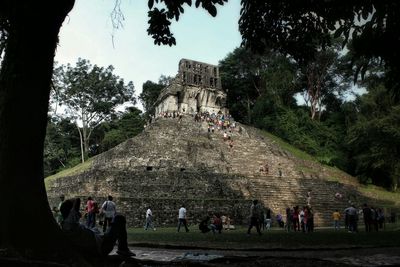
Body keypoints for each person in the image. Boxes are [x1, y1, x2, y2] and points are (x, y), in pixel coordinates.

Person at [60, 198, 135, 257]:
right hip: (103, 246)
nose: (78, 212)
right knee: (119, 218)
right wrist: (69, 203)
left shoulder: (68, 225)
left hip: (101, 242)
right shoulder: (69, 223)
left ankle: (122, 248)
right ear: (71, 211)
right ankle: (123, 248)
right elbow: (77, 199)